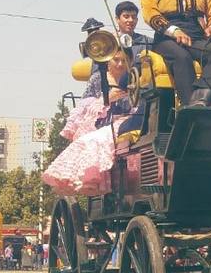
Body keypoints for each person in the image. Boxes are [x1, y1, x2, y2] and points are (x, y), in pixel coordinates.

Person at [43, 51, 141, 195]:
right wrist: (106, 99)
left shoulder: (135, 79)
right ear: (108, 62)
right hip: (99, 123)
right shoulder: (98, 79)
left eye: (124, 61)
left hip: (127, 121)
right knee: (92, 140)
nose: (120, 64)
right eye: (116, 60)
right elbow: (84, 108)